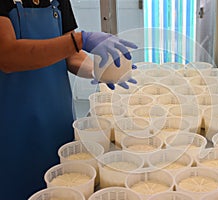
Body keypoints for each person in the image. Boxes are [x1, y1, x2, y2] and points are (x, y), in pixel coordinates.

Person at [0, 0, 137, 199]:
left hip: (57, 117)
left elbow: (71, 56)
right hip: (13, 127)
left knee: (63, 186)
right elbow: (8, 56)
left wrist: (98, 71)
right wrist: (79, 40)